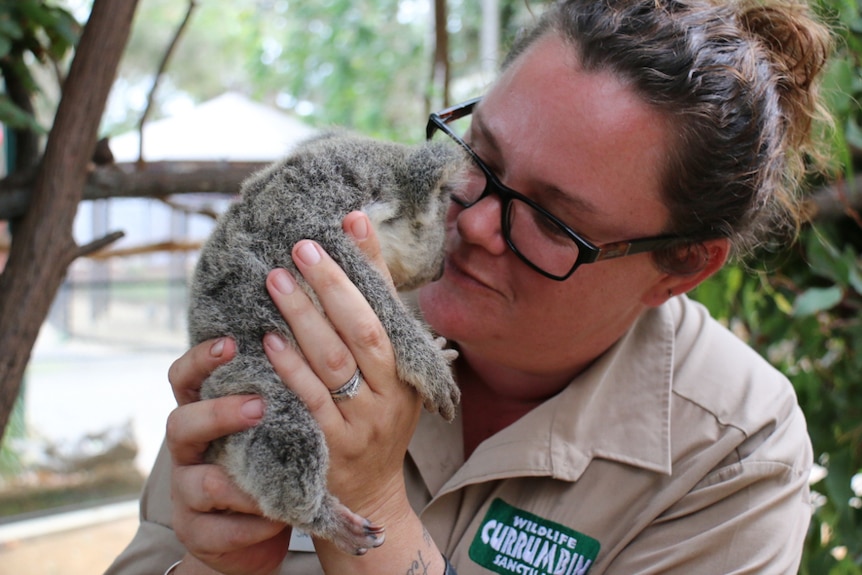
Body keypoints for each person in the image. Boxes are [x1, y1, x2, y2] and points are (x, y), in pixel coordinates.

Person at [106, 0, 833, 573]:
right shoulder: (317, 311)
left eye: (552, 217)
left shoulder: (733, 458)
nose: (476, 222)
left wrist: (372, 507)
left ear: (681, 267)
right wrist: (212, 564)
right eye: (480, 156)